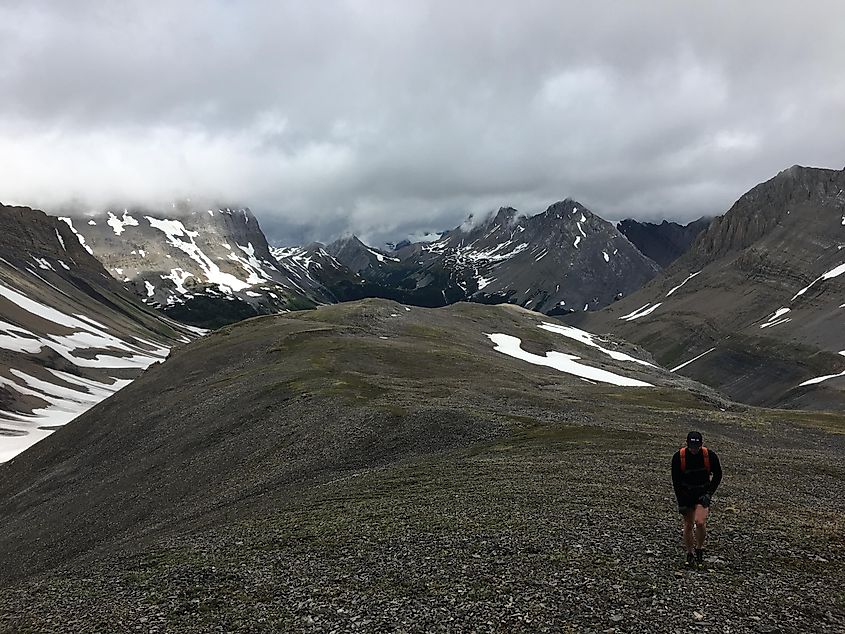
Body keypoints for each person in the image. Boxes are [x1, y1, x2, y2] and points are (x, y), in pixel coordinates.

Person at [671, 431, 722, 568]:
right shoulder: (678, 457)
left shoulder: (709, 456)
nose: (694, 449)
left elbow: (718, 475)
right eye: (692, 446)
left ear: (701, 444)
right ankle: (689, 553)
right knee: (688, 524)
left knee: (700, 522)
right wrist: (680, 501)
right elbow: (676, 481)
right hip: (686, 495)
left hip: (702, 494)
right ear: (687, 444)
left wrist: (709, 494)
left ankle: (699, 549)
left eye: (697, 446)